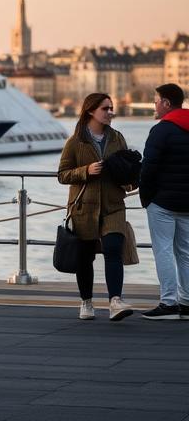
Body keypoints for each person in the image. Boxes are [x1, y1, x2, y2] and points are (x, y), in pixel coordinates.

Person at [57, 93, 135, 321]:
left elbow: (127, 167)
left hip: (113, 205)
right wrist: (86, 171)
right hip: (84, 208)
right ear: (91, 111)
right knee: (85, 257)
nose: (111, 112)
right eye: (105, 108)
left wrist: (129, 179)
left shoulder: (117, 138)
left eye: (111, 108)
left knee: (113, 249)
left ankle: (115, 301)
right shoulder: (75, 142)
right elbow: (62, 175)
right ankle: (86, 301)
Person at [139, 83, 189, 320]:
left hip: (163, 203)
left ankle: (169, 303)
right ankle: (187, 302)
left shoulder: (162, 130)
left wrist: (146, 198)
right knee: (185, 252)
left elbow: (148, 167)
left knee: (164, 251)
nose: (154, 105)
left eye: (156, 100)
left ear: (167, 103)